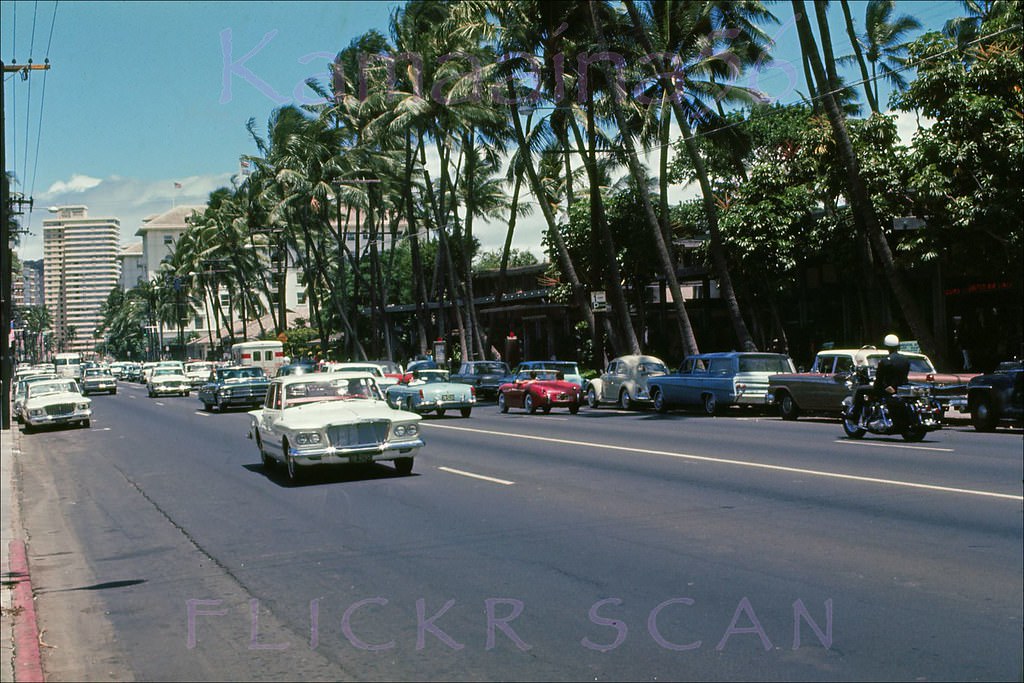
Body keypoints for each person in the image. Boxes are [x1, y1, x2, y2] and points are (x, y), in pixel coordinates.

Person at [850, 334, 911, 425]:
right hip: (900, 388)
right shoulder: (905, 359)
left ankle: (854, 417)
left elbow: (879, 379)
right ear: (898, 345)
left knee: (860, 389)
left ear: (886, 346)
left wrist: (878, 385)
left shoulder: (885, 361)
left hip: (886, 390)